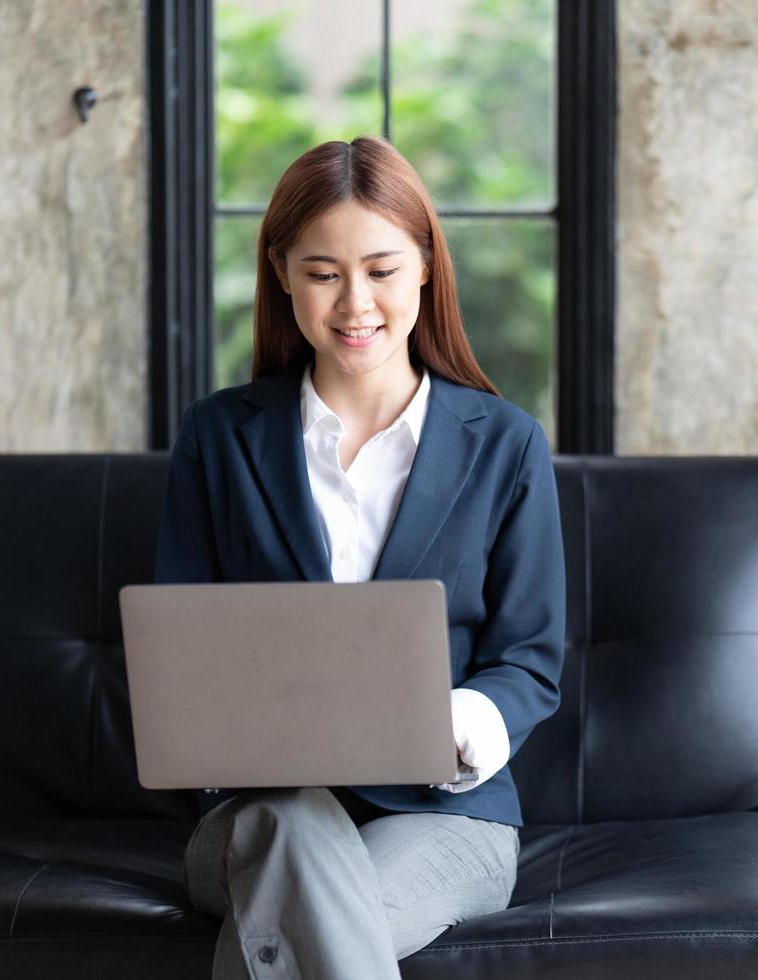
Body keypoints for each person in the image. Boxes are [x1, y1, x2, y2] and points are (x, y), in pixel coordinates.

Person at [150, 135, 566, 980]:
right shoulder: (219, 439)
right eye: (322, 272)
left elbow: (529, 660)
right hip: (258, 812)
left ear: (423, 267)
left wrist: (459, 722)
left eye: (380, 269)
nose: (354, 303)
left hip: (447, 820)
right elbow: (178, 650)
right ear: (281, 273)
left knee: (314, 920)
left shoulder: (505, 445)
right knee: (293, 833)